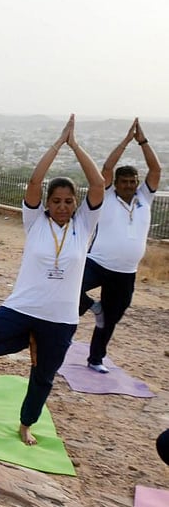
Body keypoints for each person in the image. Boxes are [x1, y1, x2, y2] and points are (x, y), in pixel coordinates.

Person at [0, 114, 104, 446]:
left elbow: (98, 185)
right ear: (47, 204)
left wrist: (76, 145)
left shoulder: (83, 225)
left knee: (43, 377)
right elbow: (33, 183)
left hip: (60, 318)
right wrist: (58, 144)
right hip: (23, 307)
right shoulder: (35, 221)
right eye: (56, 201)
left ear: (76, 203)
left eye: (68, 201)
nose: (61, 206)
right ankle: (28, 339)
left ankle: (27, 423)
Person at [79, 119, 161, 373]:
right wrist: (126, 141)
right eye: (123, 181)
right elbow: (106, 167)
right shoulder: (106, 196)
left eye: (132, 181)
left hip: (126, 272)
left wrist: (143, 141)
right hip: (97, 262)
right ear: (116, 183)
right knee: (68, 287)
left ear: (137, 183)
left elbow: (155, 168)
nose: (128, 185)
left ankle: (95, 359)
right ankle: (93, 306)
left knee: (111, 318)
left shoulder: (144, 198)